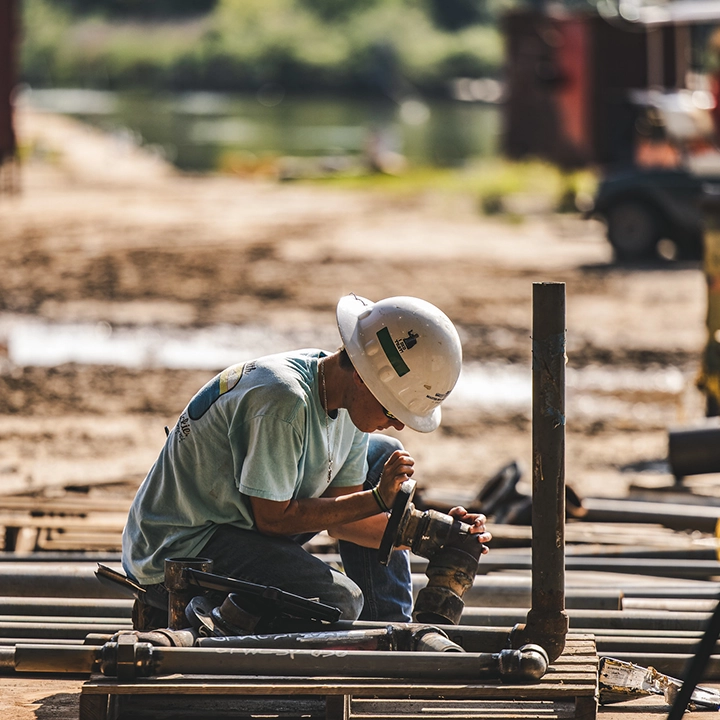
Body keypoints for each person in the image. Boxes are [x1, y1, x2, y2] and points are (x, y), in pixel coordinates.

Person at [121, 293, 491, 629]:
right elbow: (273, 520)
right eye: (392, 408)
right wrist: (379, 499)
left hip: (235, 522)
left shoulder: (342, 395)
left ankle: (388, 626)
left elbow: (346, 519)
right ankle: (205, 617)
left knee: (381, 453)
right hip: (180, 547)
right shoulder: (284, 401)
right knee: (339, 602)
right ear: (364, 378)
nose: (397, 422)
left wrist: (430, 533)